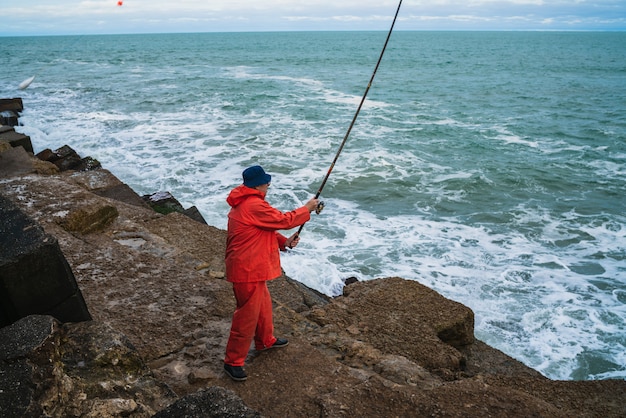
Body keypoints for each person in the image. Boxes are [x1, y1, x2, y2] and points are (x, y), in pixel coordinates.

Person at [223, 165, 319, 381]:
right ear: (258, 184)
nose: (269, 184)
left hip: (251, 267)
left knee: (264, 307)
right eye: (266, 182)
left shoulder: (247, 203)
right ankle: (232, 361)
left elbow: (262, 229)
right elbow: (284, 221)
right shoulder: (253, 205)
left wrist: (284, 243)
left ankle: (265, 340)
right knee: (246, 317)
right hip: (246, 269)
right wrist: (307, 208)